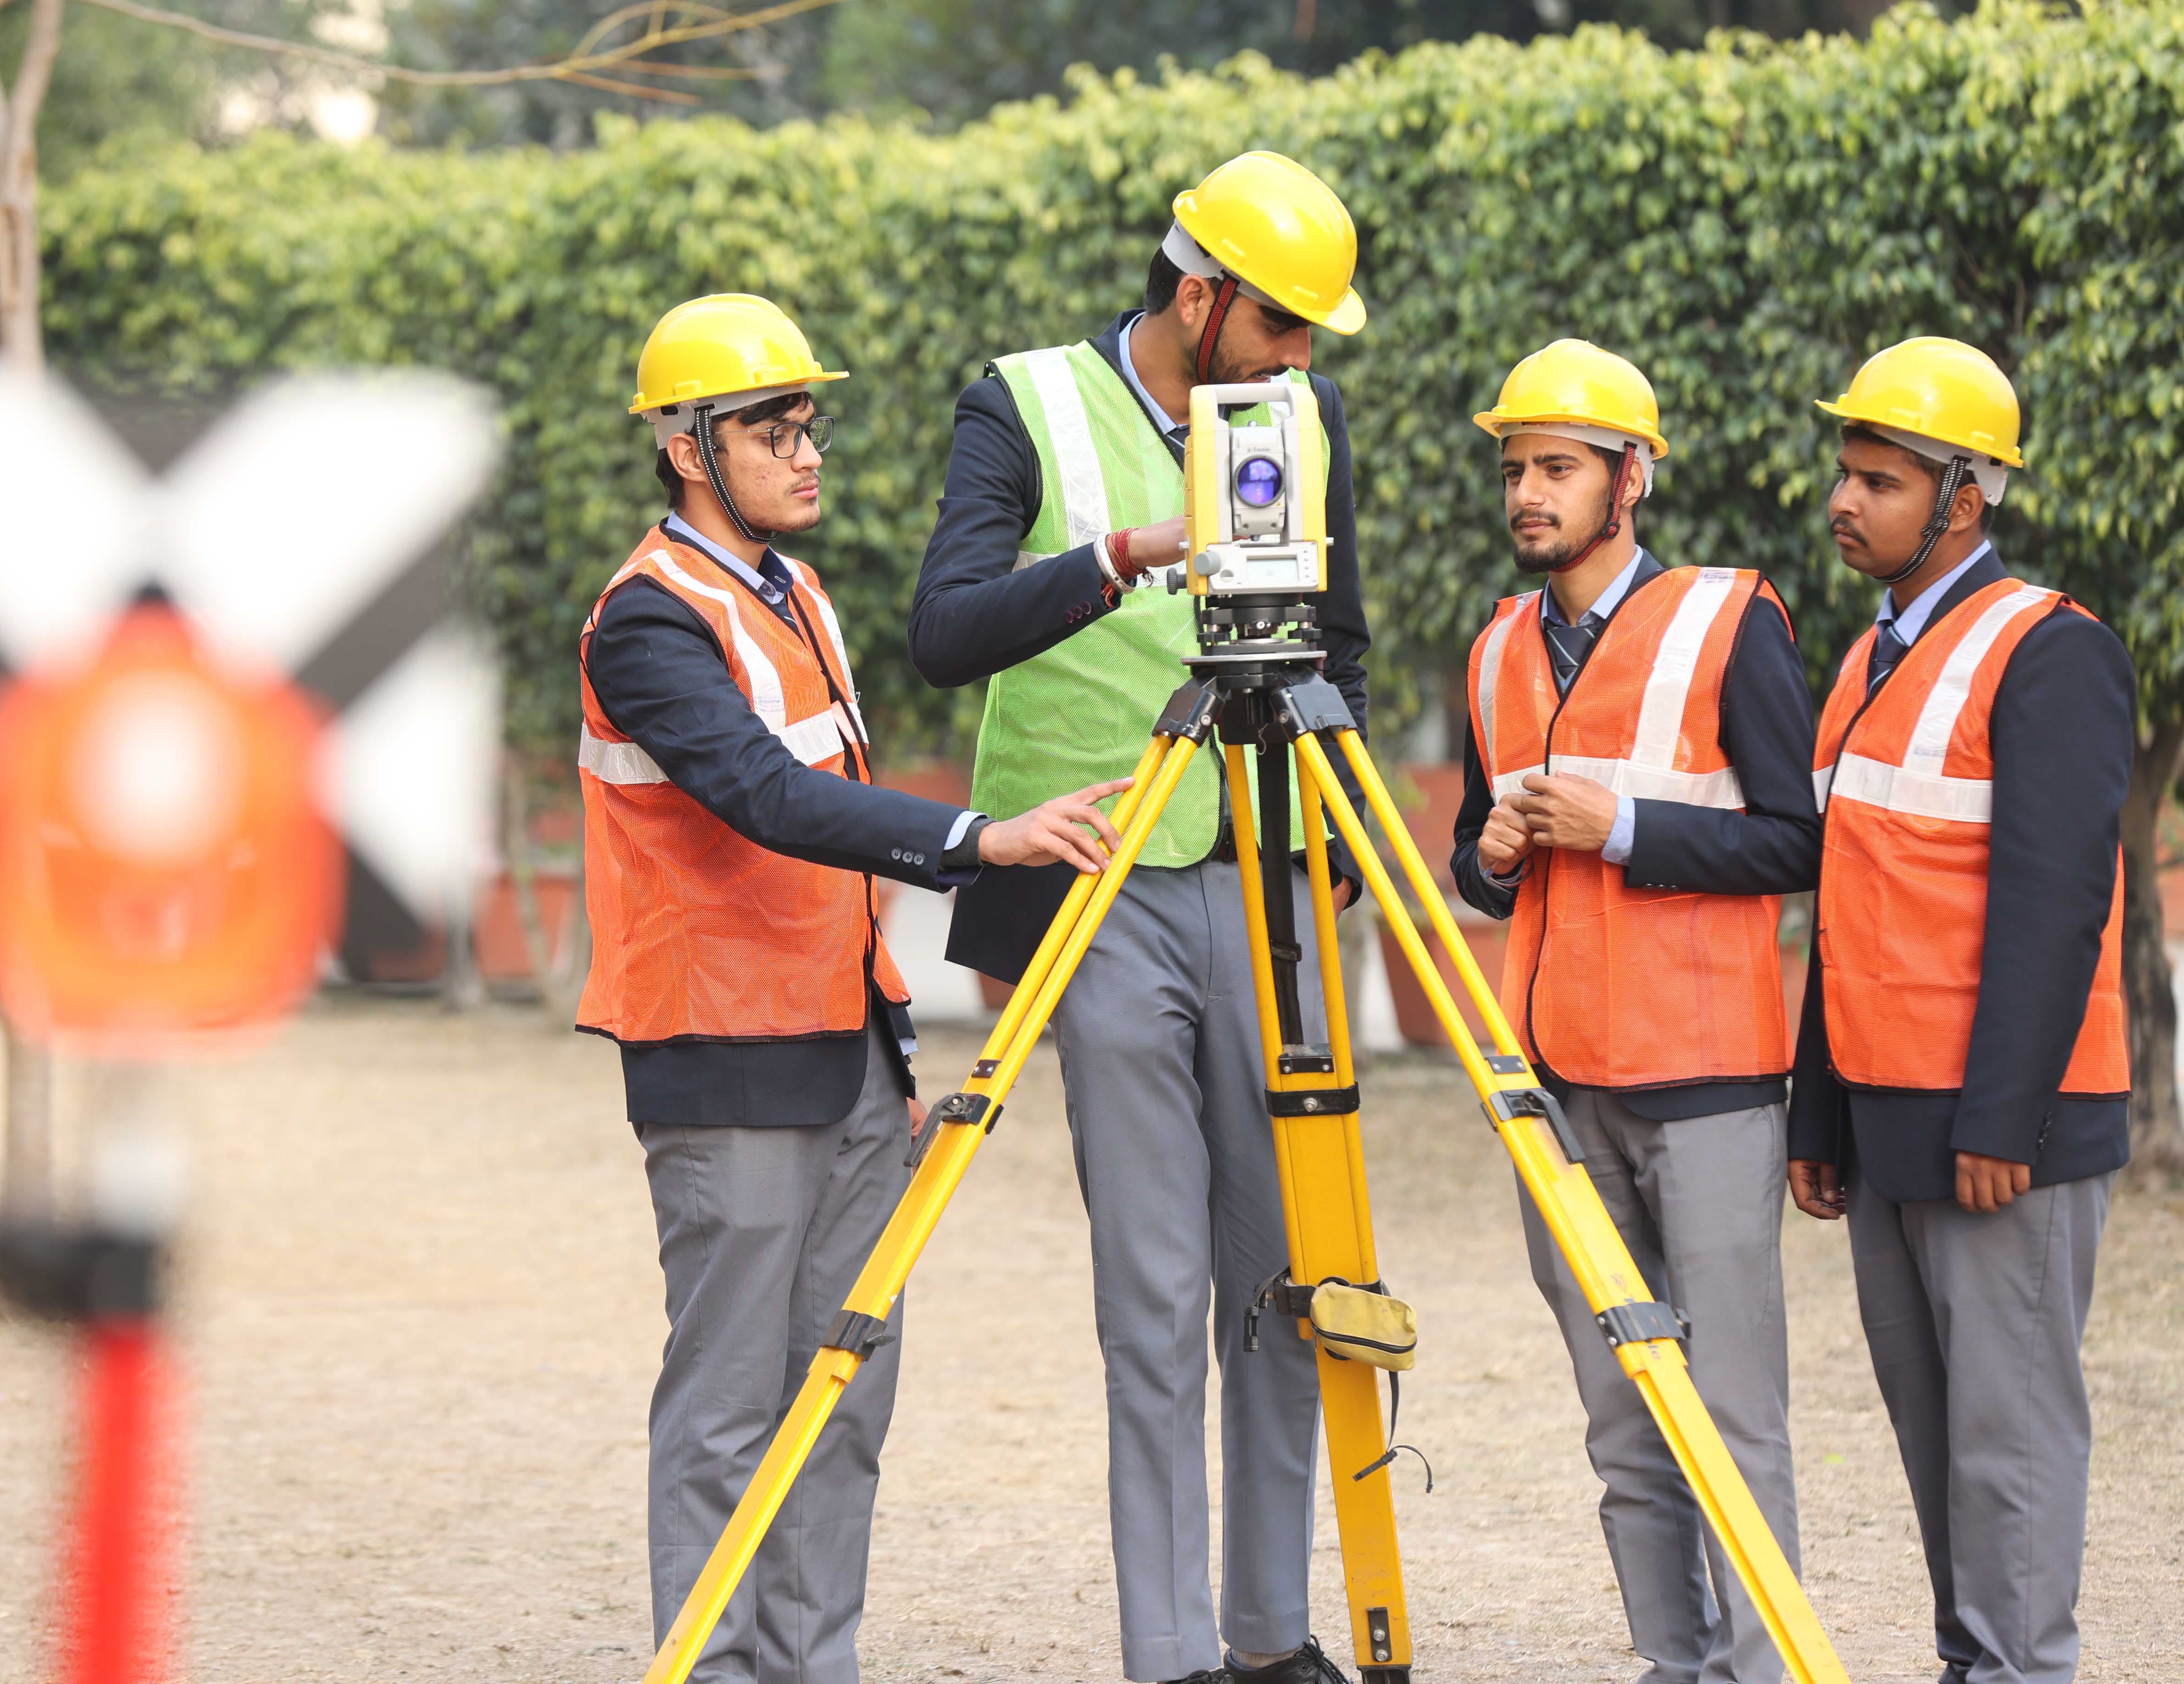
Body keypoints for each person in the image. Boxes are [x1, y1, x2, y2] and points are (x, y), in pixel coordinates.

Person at [579, 292, 1129, 1684]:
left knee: (843, 1398)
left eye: (809, 424)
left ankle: (812, 1666)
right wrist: (978, 840)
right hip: (724, 1057)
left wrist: (891, 1062)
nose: (808, 452)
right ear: (689, 448)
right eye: (774, 429)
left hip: (848, 1057)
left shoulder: (796, 593)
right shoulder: (646, 621)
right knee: (729, 1410)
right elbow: (764, 796)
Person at [909, 151, 1371, 1684]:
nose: (1296, 361)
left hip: (1266, 881)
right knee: (1157, 1292)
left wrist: (1332, 845)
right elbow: (944, 630)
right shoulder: (1024, 403)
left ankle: (1272, 1633)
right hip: (1102, 883)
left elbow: (1343, 642)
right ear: (1199, 297)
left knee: (1286, 1279)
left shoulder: (1305, 417)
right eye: (1280, 326)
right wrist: (1123, 556)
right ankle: (1168, 1652)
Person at [1447, 340, 1818, 1684]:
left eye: (1557, 468)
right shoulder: (1498, 648)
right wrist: (1492, 858)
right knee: (1622, 1421)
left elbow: (1800, 841)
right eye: (1515, 471)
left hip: (1707, 1076)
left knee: (1731, 1413)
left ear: (1632, 478)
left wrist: (1623, 831)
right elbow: (1477, 868)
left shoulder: (1732, 621)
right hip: (1559, 1090)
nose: (1528, 495)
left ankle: (1764, 1670)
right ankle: (1677, 1663)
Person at [1787, 337, 2131, 1684]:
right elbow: (1849, 904)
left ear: (1964, 499)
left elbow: (2059, 906)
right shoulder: (1870, 660)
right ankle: (1971, 1660)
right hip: (1888, 1115)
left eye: (1879, 481)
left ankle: (2019, 1667)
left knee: (2011, 1434)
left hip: (2002, 1128)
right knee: (1935, 1432)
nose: (1843, 500)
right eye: (1845, 473)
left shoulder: (2052, 651)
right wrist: (1820, 1117)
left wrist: (2007, 1120)